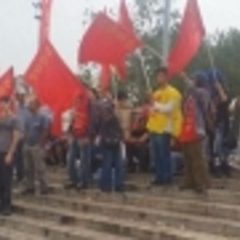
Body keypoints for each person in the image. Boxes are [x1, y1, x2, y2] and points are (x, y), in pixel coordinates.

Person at [147, 67, 182, 186]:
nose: (159, 78)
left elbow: (169, 109)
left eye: (161, 76)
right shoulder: (156, 93)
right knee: (156, 155)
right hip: (154, 128)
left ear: (167, 77)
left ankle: (167, 177)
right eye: (157, 76)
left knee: (164, 154)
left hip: (164, 128)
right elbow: (153, 109)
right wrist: (151, 107)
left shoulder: (174, 92)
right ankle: (159, 177)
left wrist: (154, 104)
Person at [179, 73, 210, 194]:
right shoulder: (189, 94)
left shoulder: (204, 92)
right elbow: (183, 108)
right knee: (187, 157)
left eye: (194, 79)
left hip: (197, 128)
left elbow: (204, 103)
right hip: (186, 128)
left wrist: (187, 80)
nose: (192, 80)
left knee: (197, 157)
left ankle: (201, 183)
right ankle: (189, 181)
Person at [95, 92, 124, 192]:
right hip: (107, 142)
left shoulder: (114, 117)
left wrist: (120, 137)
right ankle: (106, 185)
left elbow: (119, 129)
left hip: (114, 142)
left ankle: (117, 184)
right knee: (107, 164)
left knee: (118, 164)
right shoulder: (104, 115)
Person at [22, 96, 50, 195]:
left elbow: (46, 130)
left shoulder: (43, 116)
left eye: (31, 103)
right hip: (27, 145)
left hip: (37, 145)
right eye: (29, 103)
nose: (29, 105)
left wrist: (40, 143)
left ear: (37, 105)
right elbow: (25, 129)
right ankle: (30, 187)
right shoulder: (27, 117)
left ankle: (44, 187)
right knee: (28, 168)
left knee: (40, 167)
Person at [0, 97, 20, 216]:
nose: (3, 105)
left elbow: (16, 136)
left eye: (5, 103)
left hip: (7, 152)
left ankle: (7, 206)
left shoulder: (14, 119)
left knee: (6, 180)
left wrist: (10, 153)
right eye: (2, 103)